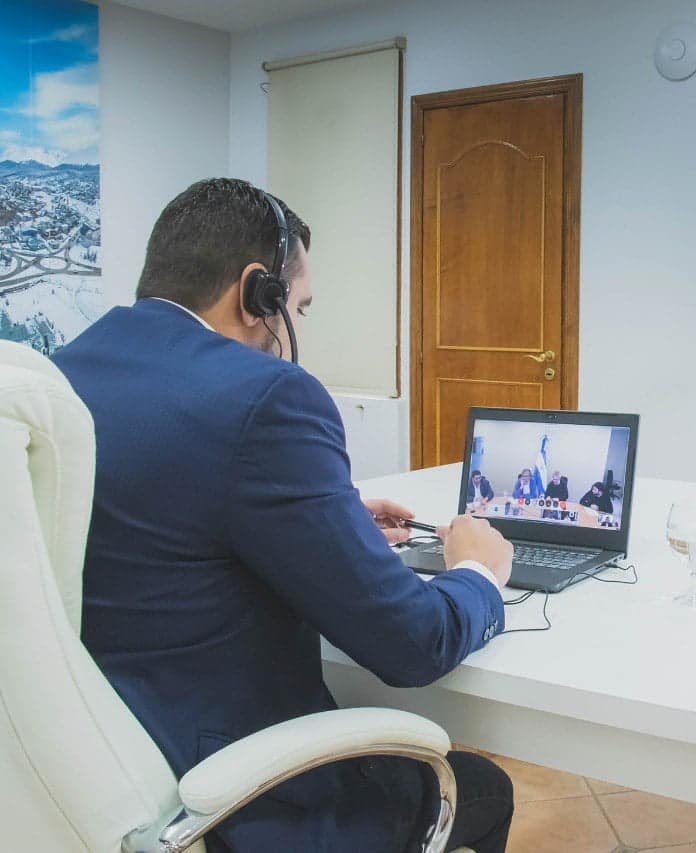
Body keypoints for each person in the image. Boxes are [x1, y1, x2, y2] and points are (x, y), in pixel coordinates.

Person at [50, 179, 515, 853]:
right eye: (296, 306)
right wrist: (477, 569)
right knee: (482, 785)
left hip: (101, 772)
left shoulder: (65, 373)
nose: (293, 327)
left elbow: (155, 506)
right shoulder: (265, 397)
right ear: (255, 293)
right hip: (236, 798)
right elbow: (413, 643)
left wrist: (329, 516)